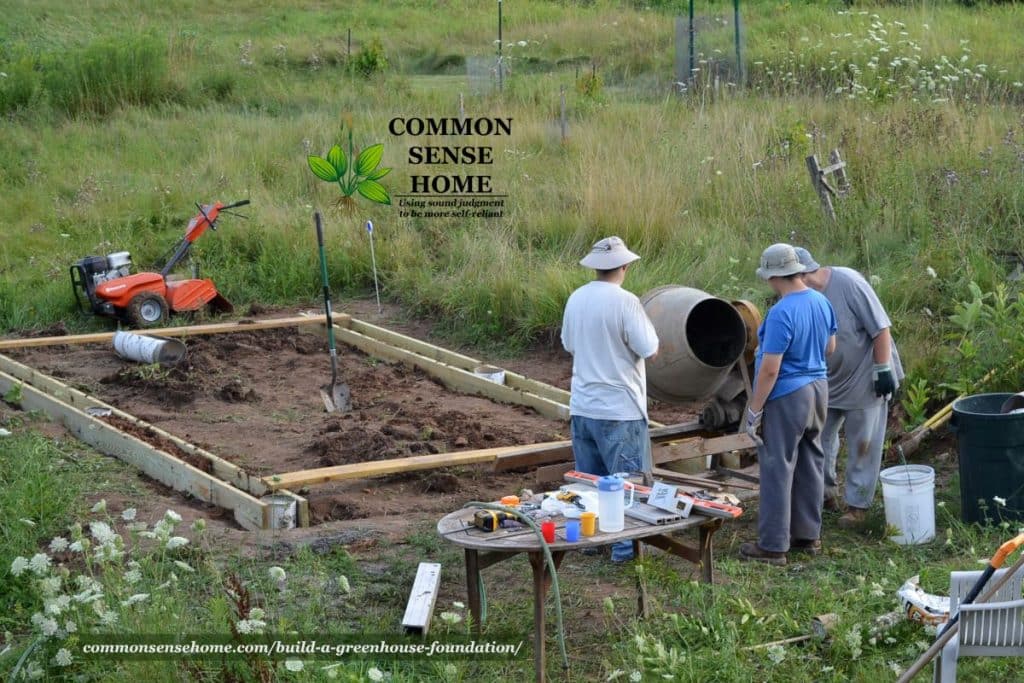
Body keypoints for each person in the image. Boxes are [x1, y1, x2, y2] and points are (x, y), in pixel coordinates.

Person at [561, 236, 659, 563]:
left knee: (590, 481)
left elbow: (569, 344)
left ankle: (591, 541)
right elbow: (650, 349)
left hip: (583, 405)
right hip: (620, 408)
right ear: (625, 266)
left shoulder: (576, 298)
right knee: (626, 484)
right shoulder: (626, 301)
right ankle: (624, 550)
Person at [740, 244, 837, 566]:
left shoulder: (782, 312)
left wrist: (754, 410)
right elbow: (830, 347)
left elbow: (770, 369)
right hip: (819, 389)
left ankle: (773, 545)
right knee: (811, 460)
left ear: (772, 276)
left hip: (788, 394)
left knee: (777, 465)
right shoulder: (821, 301)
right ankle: (808, 535)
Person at [794, 247, 904, 529]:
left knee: (863, 443)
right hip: (828, 379)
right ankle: (825, 495)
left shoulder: (848, 283)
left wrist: (882, 369)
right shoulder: (798, 297)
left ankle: (858, 507)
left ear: (804, 274)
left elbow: (880, 329)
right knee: (820, 439)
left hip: (866, 375)